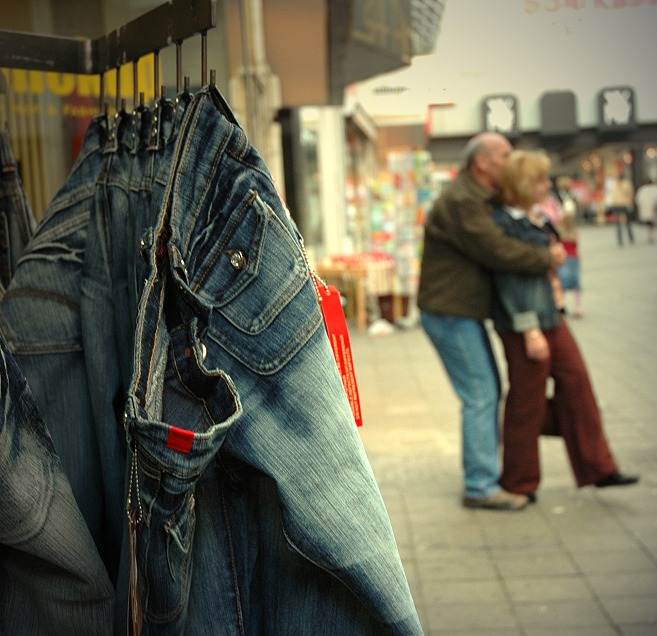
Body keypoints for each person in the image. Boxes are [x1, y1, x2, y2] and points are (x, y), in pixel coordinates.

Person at [417, 132, 566, 511]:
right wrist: (546, 258)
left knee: (485, 391)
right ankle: (480, 485)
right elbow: (496, 250)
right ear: (481, 162)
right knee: (481, 393)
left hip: (459, 312)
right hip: (450, 314)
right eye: (504, 154)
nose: (511, 160)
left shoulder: (477, 197)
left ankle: (484, 477)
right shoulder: (463, 201)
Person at [491, 149, 639, 502]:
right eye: (540, 179)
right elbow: (509, 282)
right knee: (527, 401)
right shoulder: (505, 225)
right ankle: (519, 482)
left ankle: (599, 467)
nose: (547, 185)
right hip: (527, 323)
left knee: (577, 386)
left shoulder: (535, 217)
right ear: (524, 184)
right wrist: (529, 329)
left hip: (550, 316)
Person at [610, 171, 635, 246]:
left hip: (623, 204)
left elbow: (630, 192)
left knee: (626, 222)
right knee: (620, 223)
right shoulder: (616, 184)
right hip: (621, 204)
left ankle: (629, 237)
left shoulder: (625, 183)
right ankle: (622, 239)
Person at [635, 177, 657, 244]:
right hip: (654, 209)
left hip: (646, 210)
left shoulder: (642, 189)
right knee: (651, 223)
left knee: (649, 224)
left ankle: (650, 236)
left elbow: (638, 200)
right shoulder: (655, 188)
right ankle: (650, 236)